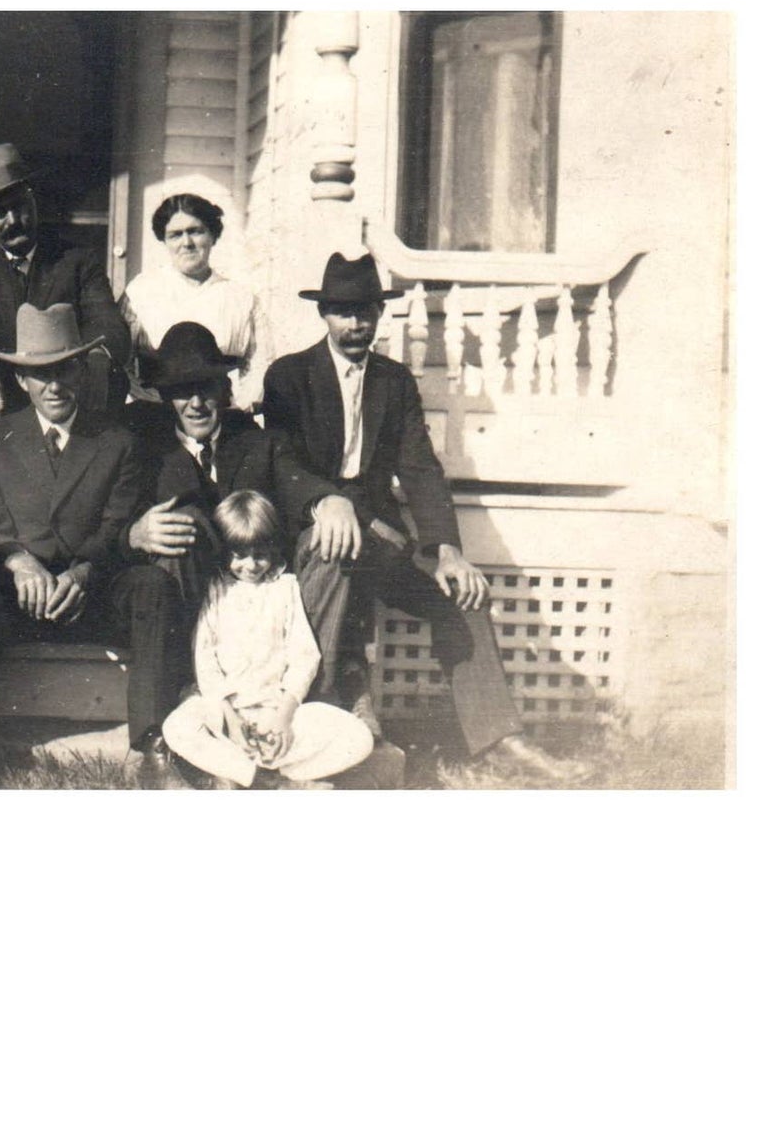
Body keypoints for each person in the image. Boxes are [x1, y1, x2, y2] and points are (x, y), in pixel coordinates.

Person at [262, 252, 582, 781]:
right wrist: (324, 499)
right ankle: (317, 726)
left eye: (365, 311)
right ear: (324, 316)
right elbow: (283, 460)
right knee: (333, 545)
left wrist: (446, 549)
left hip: (382, 540)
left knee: (462, 589)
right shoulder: (289, 377)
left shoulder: (394, 381)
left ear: (378, 315)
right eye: (343, 312)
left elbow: (419, 467)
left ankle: (500, 736)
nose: (355, 323)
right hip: (316, 537)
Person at [0, 303, 187, 788]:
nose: (53, 385)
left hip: (90, 592)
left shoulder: (115, 440)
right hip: (22, 597)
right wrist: (19, 564)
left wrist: (82, 574)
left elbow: (116, 524)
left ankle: (151, 746)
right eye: (40, 374)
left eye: (62, 370)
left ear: (79, 370)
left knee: (152, 586)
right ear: (21, 381)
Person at [124, 322, 355, 657]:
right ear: (164, 396)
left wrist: (329, 501)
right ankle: (181, 684)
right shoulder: (146, 448)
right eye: (182, 391)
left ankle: (312, 692)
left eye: (206, 388)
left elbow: (295, 479)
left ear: (224, 388)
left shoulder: (257, 442)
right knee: (180, 524)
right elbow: (112, 515)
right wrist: (134, 533)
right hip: (190, 604)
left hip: (259, 594)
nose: (196, 403)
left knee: (330, 542)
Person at [162, 491, 375, 790]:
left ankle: (269, 775)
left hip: (277, 713)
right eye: (239, 555)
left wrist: (283, 717)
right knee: (178, 727)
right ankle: (258, 776)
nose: (250, 565)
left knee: (358, 737)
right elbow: (205, 660)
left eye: (260, 555)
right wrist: (230, 720)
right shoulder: (216, 591)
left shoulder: (285, 590)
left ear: (273, 550)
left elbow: (305, 656)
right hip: (229, 716)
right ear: (225, 552)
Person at [0, 143, 131, 417]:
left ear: (35, 200)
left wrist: (98, 358)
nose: (12, 220)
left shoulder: (76, 259)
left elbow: (106, 320)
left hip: (61, 401)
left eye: (19, 206)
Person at [120, 192, 273, 411]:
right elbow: (120, 362)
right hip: (153, 414)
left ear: (212, 235)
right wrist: (153, 403)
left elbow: (261, 362)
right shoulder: (140, 292)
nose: (187, 243)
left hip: (223, 414)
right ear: (164, 240)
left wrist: (239, 408)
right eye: (175, 234)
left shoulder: (241, 297)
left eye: (195, 231)